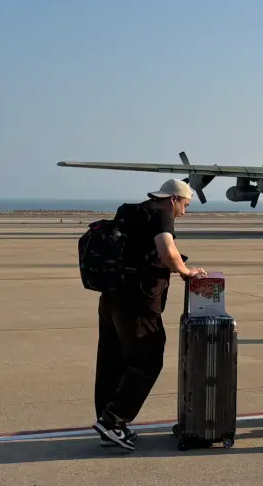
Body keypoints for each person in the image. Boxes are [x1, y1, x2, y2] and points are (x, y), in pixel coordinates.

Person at [93, 178, 205, 451]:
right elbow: (167, 250)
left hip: (111, 297)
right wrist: (187, 272)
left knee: (112, 361)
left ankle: (109, 425)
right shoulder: (161, 213)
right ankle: (113, 420)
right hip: (137, 301)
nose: (183, 212)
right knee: (148, 359)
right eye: (185, 205)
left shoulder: (133, 212)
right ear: (173, 199)